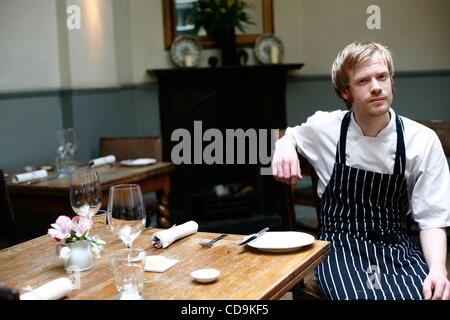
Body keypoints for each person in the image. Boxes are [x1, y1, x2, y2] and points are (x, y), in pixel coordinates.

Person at [272, 41, 450, 300]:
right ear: (346, 92)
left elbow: (432, 219)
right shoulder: (326, 128)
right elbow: (291, 135)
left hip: (396, 248)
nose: (376, 86)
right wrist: (285, 143)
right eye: (364, 81)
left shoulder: (421, 140)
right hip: (340, 248)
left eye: (382, 76)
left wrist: (437, 269)